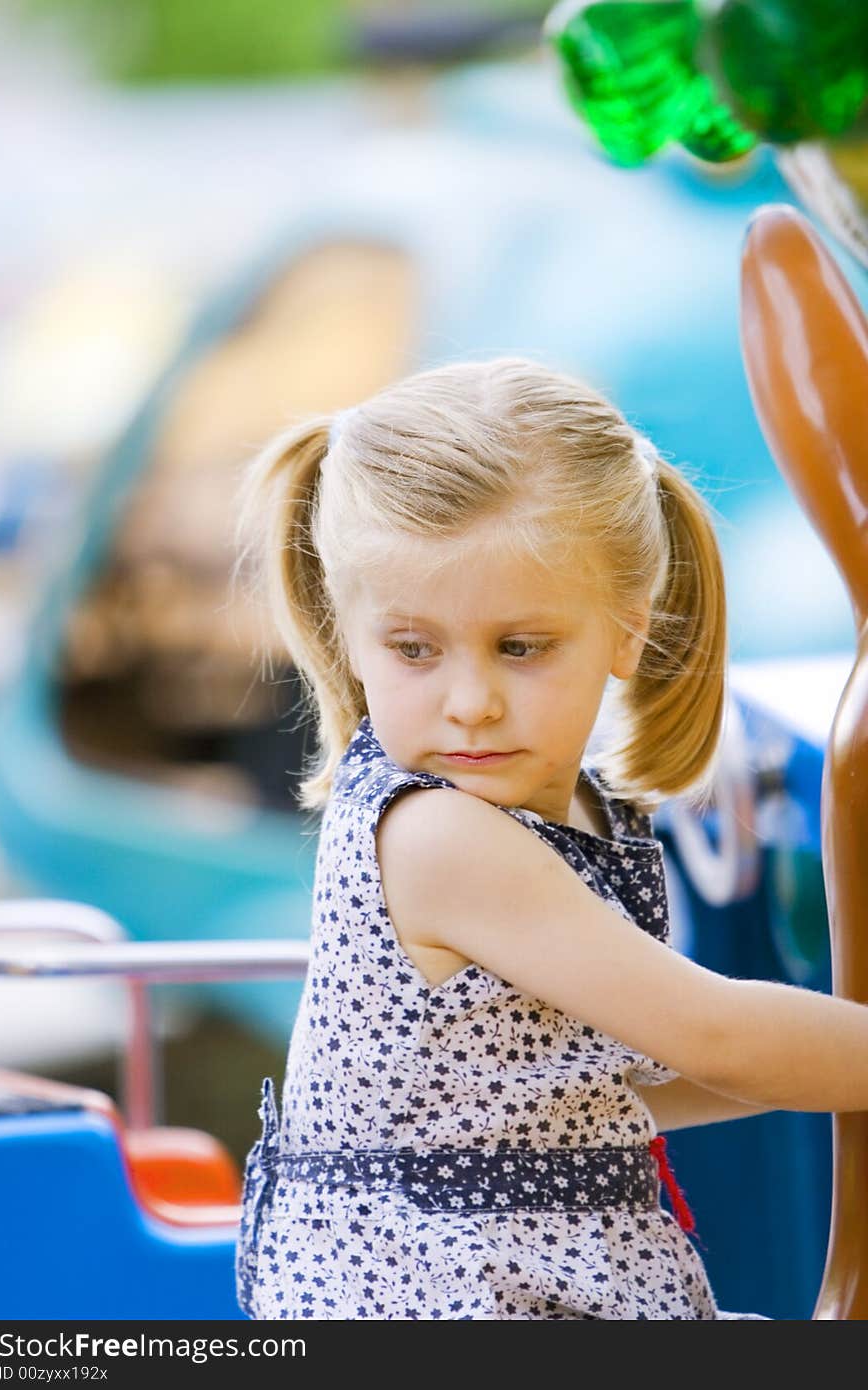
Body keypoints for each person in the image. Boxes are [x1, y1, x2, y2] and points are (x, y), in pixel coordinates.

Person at [231, 356, 868, 1320]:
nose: (472, 703)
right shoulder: (440, 836)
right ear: (350, 635)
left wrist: (823, 1071)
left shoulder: (567, 808)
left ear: (625, 629)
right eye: (413, 649)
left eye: (520, 647)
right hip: (444, 1297)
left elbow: (586, 1095)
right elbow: (715, 1032)